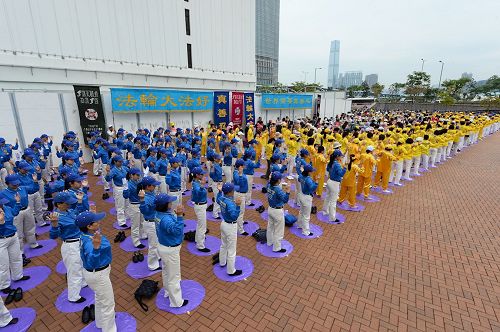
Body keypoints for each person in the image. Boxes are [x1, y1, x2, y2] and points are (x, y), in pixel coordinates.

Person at [77, 211, 116, 332]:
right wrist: (96, 248)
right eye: (96, 221)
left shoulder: (87, 235)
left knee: (100, 299)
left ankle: (101, 323)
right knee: (108, 304)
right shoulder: (90, 243)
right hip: (98, 273)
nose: (99, 222)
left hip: (94, 273)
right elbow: (92, 261)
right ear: (88, 226)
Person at [49, 192, 87, 303]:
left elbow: (78, 214)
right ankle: (73, 296)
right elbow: (53, 236)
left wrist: (79, 201)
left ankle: (83, 282)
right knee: (74, 271)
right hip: (70, 245)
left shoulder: (68, 211)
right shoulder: (56, 217)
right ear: (59, 204)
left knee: (82, 264)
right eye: (67, 203)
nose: (69, 205)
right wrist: (55, 225)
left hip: (78, 241)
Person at [154, 194, 188, 308]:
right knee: (174, 276)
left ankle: (168, 292)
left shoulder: (159, 214)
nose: (171, 203)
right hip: (170, 250)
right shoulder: (165, 219)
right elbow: (177, 230)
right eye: (169, 202)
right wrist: (179, 216)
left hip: (163, 246)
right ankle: (177, 302)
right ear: (165, 205)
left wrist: (175, 215)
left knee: (166, 271)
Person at [1, 174, 41, 263]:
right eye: (13, 184)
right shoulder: (3, 193)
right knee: (18, 233)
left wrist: (35, 181)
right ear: (7, 183)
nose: (16, 185)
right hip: (15, 213)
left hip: (26, 209)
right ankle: (20, 252)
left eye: (17, 183)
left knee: (30, 228)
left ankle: (33, 243)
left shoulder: (22, 188)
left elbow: (34, 189)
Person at [0, 195, 29, 294]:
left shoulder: (6, 208)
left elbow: (15, 212)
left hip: (13, 236)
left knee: (16, 258)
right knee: (3, 264)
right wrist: (2, 222)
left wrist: (17, 203)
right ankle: (4, 285)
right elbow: (1, 231)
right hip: (1, 241)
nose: (2, 204)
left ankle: (18, 276)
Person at [214, 183, 242, 276]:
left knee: (224, 244)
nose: (234, 191)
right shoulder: (230, 203)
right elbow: (234, 216)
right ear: (230, 192)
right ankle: (231, 271)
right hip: (230, 226)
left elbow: (217, 200)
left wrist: (219, 191)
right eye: (233, 190)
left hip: (224, 223)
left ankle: (222, 262)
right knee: (231, 249)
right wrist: (238, 206)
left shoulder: (222, 198)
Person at [138, 177, 162, 270]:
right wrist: (142, 200)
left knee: (157, 241)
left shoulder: (151, 193)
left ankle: (158, 256)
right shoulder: (145, 197)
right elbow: (145, 211)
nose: (155, 186)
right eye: (153, 185)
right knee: (153, 245)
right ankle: (152, 265)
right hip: (150, 223)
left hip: (154, 221)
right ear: (148, 187)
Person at [266, 172, 290, 253]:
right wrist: (288, 191)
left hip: (270, 208)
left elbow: (268, 183)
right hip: (277, 211)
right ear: (278, 180)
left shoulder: (269, 185)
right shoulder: (278, 189)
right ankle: (277, 248)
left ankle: (269, 242)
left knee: (270, 227)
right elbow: (285, 200)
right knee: (278, 230)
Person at [123, 168, 145, 249]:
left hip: (141, 204)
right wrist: (125, 189)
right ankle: (136, 241)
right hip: (134, 205)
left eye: (139, 175)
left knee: (142, 221)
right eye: (137, 175)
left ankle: (142, 235)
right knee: (135, 224)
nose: (139, 177)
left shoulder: (138, 182)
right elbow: (125, 196)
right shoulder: (128, 184)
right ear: (131, 175)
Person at [105, 156, 129, 228]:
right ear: (115, 162)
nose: (121, 163)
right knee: (120, 205)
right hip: (119, 189)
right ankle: (121, 221)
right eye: (119, 162)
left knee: (127, 204)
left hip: (126, 187)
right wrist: (108, 172)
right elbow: (108, 179)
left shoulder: (124, 168)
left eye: (121, 161)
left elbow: (130, 172)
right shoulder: (113, 170)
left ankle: (127, 217)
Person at [323, 150, 346, 222]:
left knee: (327, 197)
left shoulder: (331, 162)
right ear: (337, 157)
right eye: (340, 156)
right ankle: (332, 218)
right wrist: (345, 168)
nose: (341, 157)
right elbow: (341, 174)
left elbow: (327, 169)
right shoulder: (337, 164)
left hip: (330, 181)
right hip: (335, 183)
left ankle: (325, 211)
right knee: (333, 201)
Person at [190, 167, 210, 252]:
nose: (203, 175)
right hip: (200, 206)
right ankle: (200, 245)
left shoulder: (196, 182)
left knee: (200, 224)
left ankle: (197, 239)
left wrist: (201, 185)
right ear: (197, 175)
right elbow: (198, 192)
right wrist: (202, 186)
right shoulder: (196, 184)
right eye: (201, 174)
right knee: (203, 227)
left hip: (201, 205)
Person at [297, 164, 317, 236]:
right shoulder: (308, 179)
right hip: (307, 198)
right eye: (311, 171)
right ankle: (306, 231)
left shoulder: (302, 176)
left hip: (301, 195)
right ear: (308, 172)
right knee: (306, 216)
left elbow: (299, 178)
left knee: (301, 211)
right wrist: (316, 182)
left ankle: (299, 225)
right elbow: (312, 188)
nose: (312, 172)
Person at [232, 159, 248, 236]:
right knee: (240, 212)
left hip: (240, 193)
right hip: (239, 194)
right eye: (243, 165)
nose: (245, 166)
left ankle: (240, 222)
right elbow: (239, 183)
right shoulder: (236, 173)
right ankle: (241, 230)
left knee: (241, 211)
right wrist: (241, 174)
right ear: (240, 166)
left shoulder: (237, 172)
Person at [209, 153, 223, 220]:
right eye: (218, 158)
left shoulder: (218, 165)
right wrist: (211, 168)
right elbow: (211, 175)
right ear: (215, 159)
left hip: (219, 182)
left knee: (220, 196)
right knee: (217, 197)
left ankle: (218, 210)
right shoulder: (213, 166)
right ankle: (215, 214)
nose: (219, 159)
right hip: (216, 183)